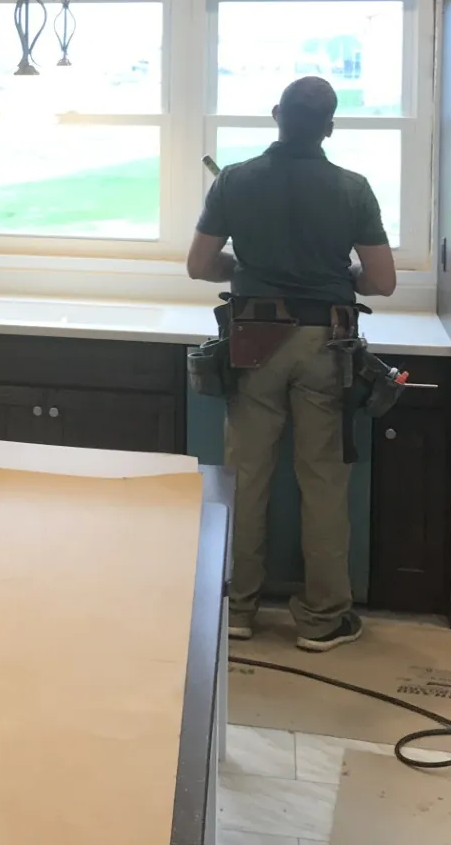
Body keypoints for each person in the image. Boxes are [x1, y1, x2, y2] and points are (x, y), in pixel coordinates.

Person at [186, 75, 396, 652]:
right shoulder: (353, 188)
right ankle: (323, 617)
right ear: (329, 126)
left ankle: (237, 610)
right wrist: (337, 279)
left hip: (254, 338)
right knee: (323, 479)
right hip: (325, 341)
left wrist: (245, 268)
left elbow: (199, 265)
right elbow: (381, 282)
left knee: (246, 477)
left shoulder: (234, 180)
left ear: (276, 115)